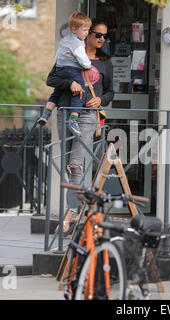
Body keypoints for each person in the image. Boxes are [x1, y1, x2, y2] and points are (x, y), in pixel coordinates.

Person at [47, 17, 114, 233]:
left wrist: (101, 100)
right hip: (64, 112)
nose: (102, 39)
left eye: (105, 36)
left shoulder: (104, 63)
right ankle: (80, 210)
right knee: (69, 164)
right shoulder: (69, 54)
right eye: (98, 34)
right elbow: (51, 79)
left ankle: (69, 217)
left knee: (76, 164)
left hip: (86, 116)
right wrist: (71, 83)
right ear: (86, 34)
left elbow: (111, 91)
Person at [38, 12, 92, 136]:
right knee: (80, 93)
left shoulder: (64, 40)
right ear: (74, 29)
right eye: (84, 30)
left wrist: (57, 66)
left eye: (88, 30)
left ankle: (46, 114)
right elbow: (83, 60)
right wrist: (88, 65)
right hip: (72, 70)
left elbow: (57, 55)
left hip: (60, 68)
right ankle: (73, 119)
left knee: (56, 92)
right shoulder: (77, 43)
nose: (86, 33)